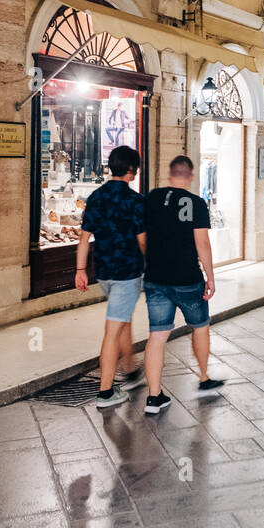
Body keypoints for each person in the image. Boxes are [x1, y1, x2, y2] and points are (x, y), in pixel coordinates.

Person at [142, 155, 223, 413]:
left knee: (157, 336)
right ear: (190, 176)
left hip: (156, 279)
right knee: (200, 327)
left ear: (169, 174)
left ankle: (154, 397)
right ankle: (203, 377)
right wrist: (210, 276)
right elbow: (202, 244)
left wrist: (150, 258)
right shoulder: (197, 203)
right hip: (187, 279)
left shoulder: (151, 198)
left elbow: (141, 236)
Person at [75, 144, 146, 409]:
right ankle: (105, 392)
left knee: (122, 320)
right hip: (127, 274)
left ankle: (130, 369)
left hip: (102, 272)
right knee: (112, 330)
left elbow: (84, 238)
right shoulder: (135, 201)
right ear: (130, 170)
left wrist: (81, 270)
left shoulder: (95, 197)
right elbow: (142, 241)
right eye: (135, 168)